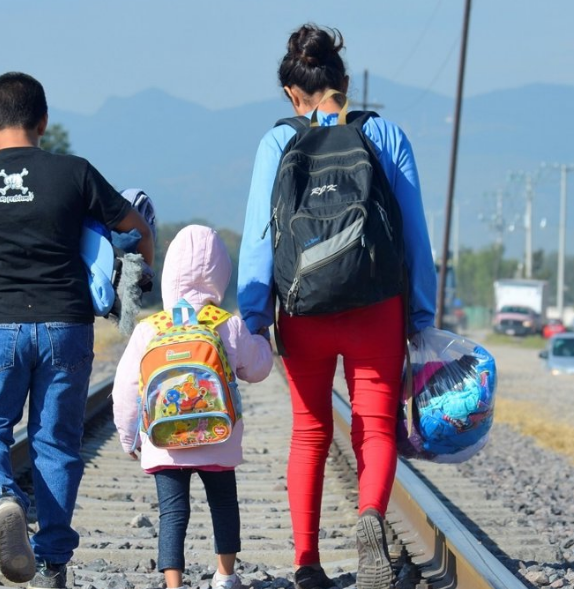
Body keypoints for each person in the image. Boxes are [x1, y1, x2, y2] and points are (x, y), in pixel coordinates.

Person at [237, 24, 437, 589]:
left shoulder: (277, 142)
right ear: (344, 82)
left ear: (291, 94)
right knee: (375, 427)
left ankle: (307, 561)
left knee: (309, 432)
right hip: (377, 305)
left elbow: (259, 238)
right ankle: (370, 517)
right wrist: (421, 316)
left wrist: (255, 316)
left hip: (304, 310)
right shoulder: (385, 135)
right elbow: (415, 234)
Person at [0, 72, 155, 589]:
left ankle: (2, 499)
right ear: (43, 122)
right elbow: (136, 229)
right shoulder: (74, 172)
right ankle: (51, 565)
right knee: (56, 443)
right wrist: (139, 277)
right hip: (65, 324)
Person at [112, 225, 274, 589]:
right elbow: (257, 369)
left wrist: (128, 438)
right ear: (221, 274)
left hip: (164, 441)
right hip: (217, 436)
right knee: (224, 505)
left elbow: (126, 390)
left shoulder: (150, 328)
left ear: (170, 272)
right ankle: (225, 576)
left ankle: (174, 584)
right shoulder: (227, 324)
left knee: (172, 514)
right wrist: (262, 340)